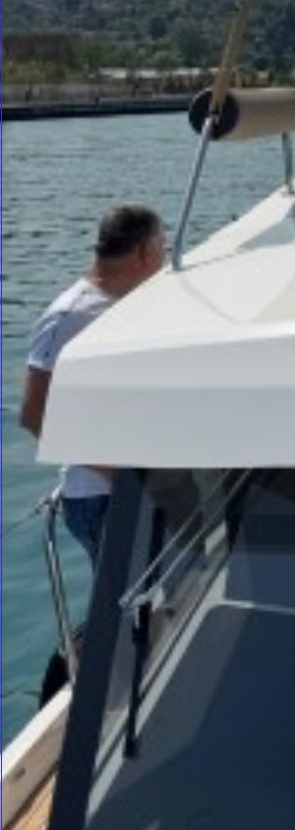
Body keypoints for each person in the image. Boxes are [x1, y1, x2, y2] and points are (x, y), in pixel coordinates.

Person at [20, 204, 166, 567]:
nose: (165, 259)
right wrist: (120, 473)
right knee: (131, 598)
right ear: (144, 252)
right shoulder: (69, 315)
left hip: (144, 486)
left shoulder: (132, 303)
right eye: (162, 248)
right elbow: (33, 414)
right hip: (102, 496)